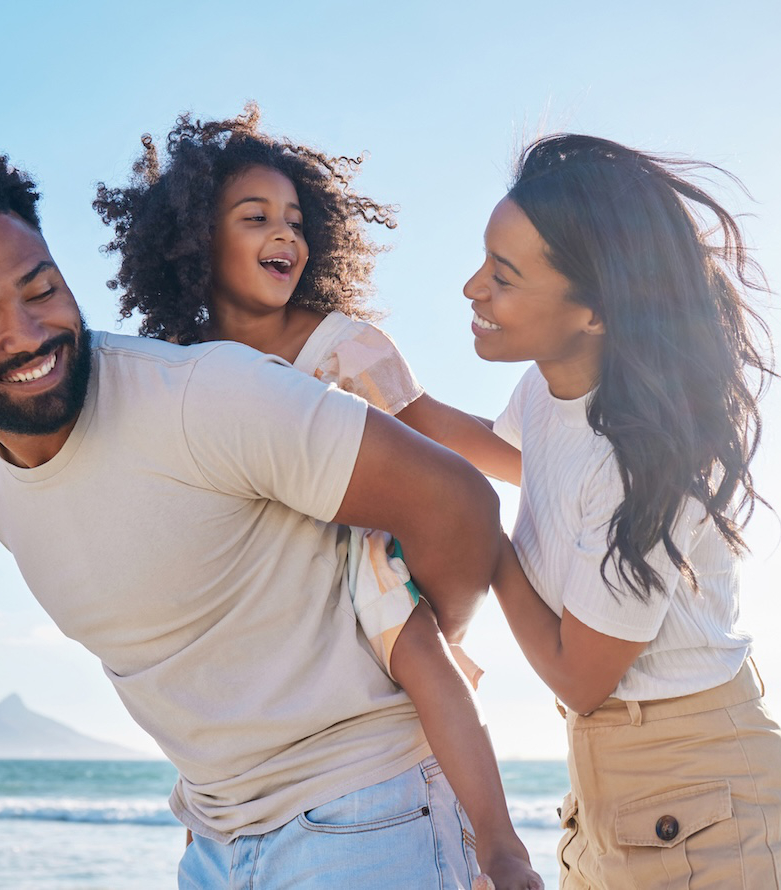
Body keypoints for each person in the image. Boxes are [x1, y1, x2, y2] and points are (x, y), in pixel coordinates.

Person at [0, 148, 506, 889]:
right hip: (214, 842)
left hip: (364, 817)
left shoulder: (206, 397)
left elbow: (459, 504)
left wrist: (410, 641)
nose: (26, 334)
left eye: (41, 290)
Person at [93, 105, 539, 890]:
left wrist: (549, 467)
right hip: (262, 588)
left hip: (354, 555)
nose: (284, 235)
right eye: (255, 216)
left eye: (295, 220)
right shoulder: (183, 371)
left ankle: (502, 849)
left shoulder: (340, 345)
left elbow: (435, 428)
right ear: (198, 239)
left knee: (424, 660)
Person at [466, 134, 781, 888]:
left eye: (502, 277)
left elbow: (579, 677)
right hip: (610, 793)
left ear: (593, 311)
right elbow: (516, 462)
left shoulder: (644, 462)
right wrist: (375, 390)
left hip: (706, 806)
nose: (472, 289)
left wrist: (483, 545)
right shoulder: (549, 391)